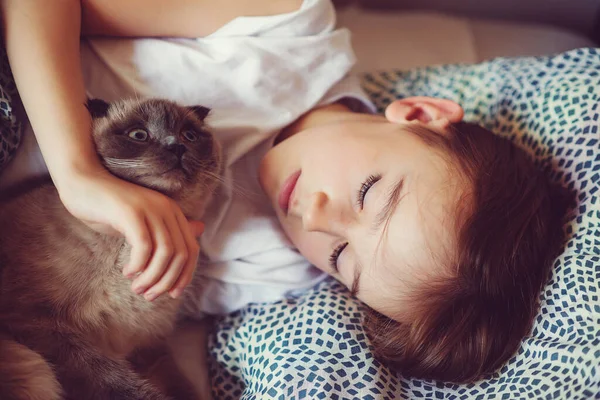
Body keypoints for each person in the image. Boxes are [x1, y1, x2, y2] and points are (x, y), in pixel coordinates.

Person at [1, 0, 569, 383]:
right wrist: (79, 173)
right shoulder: (289, 28)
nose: (317, 219)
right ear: (418, 114)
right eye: (371, 193)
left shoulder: (278, 267)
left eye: (343, 258)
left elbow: (112, 327)